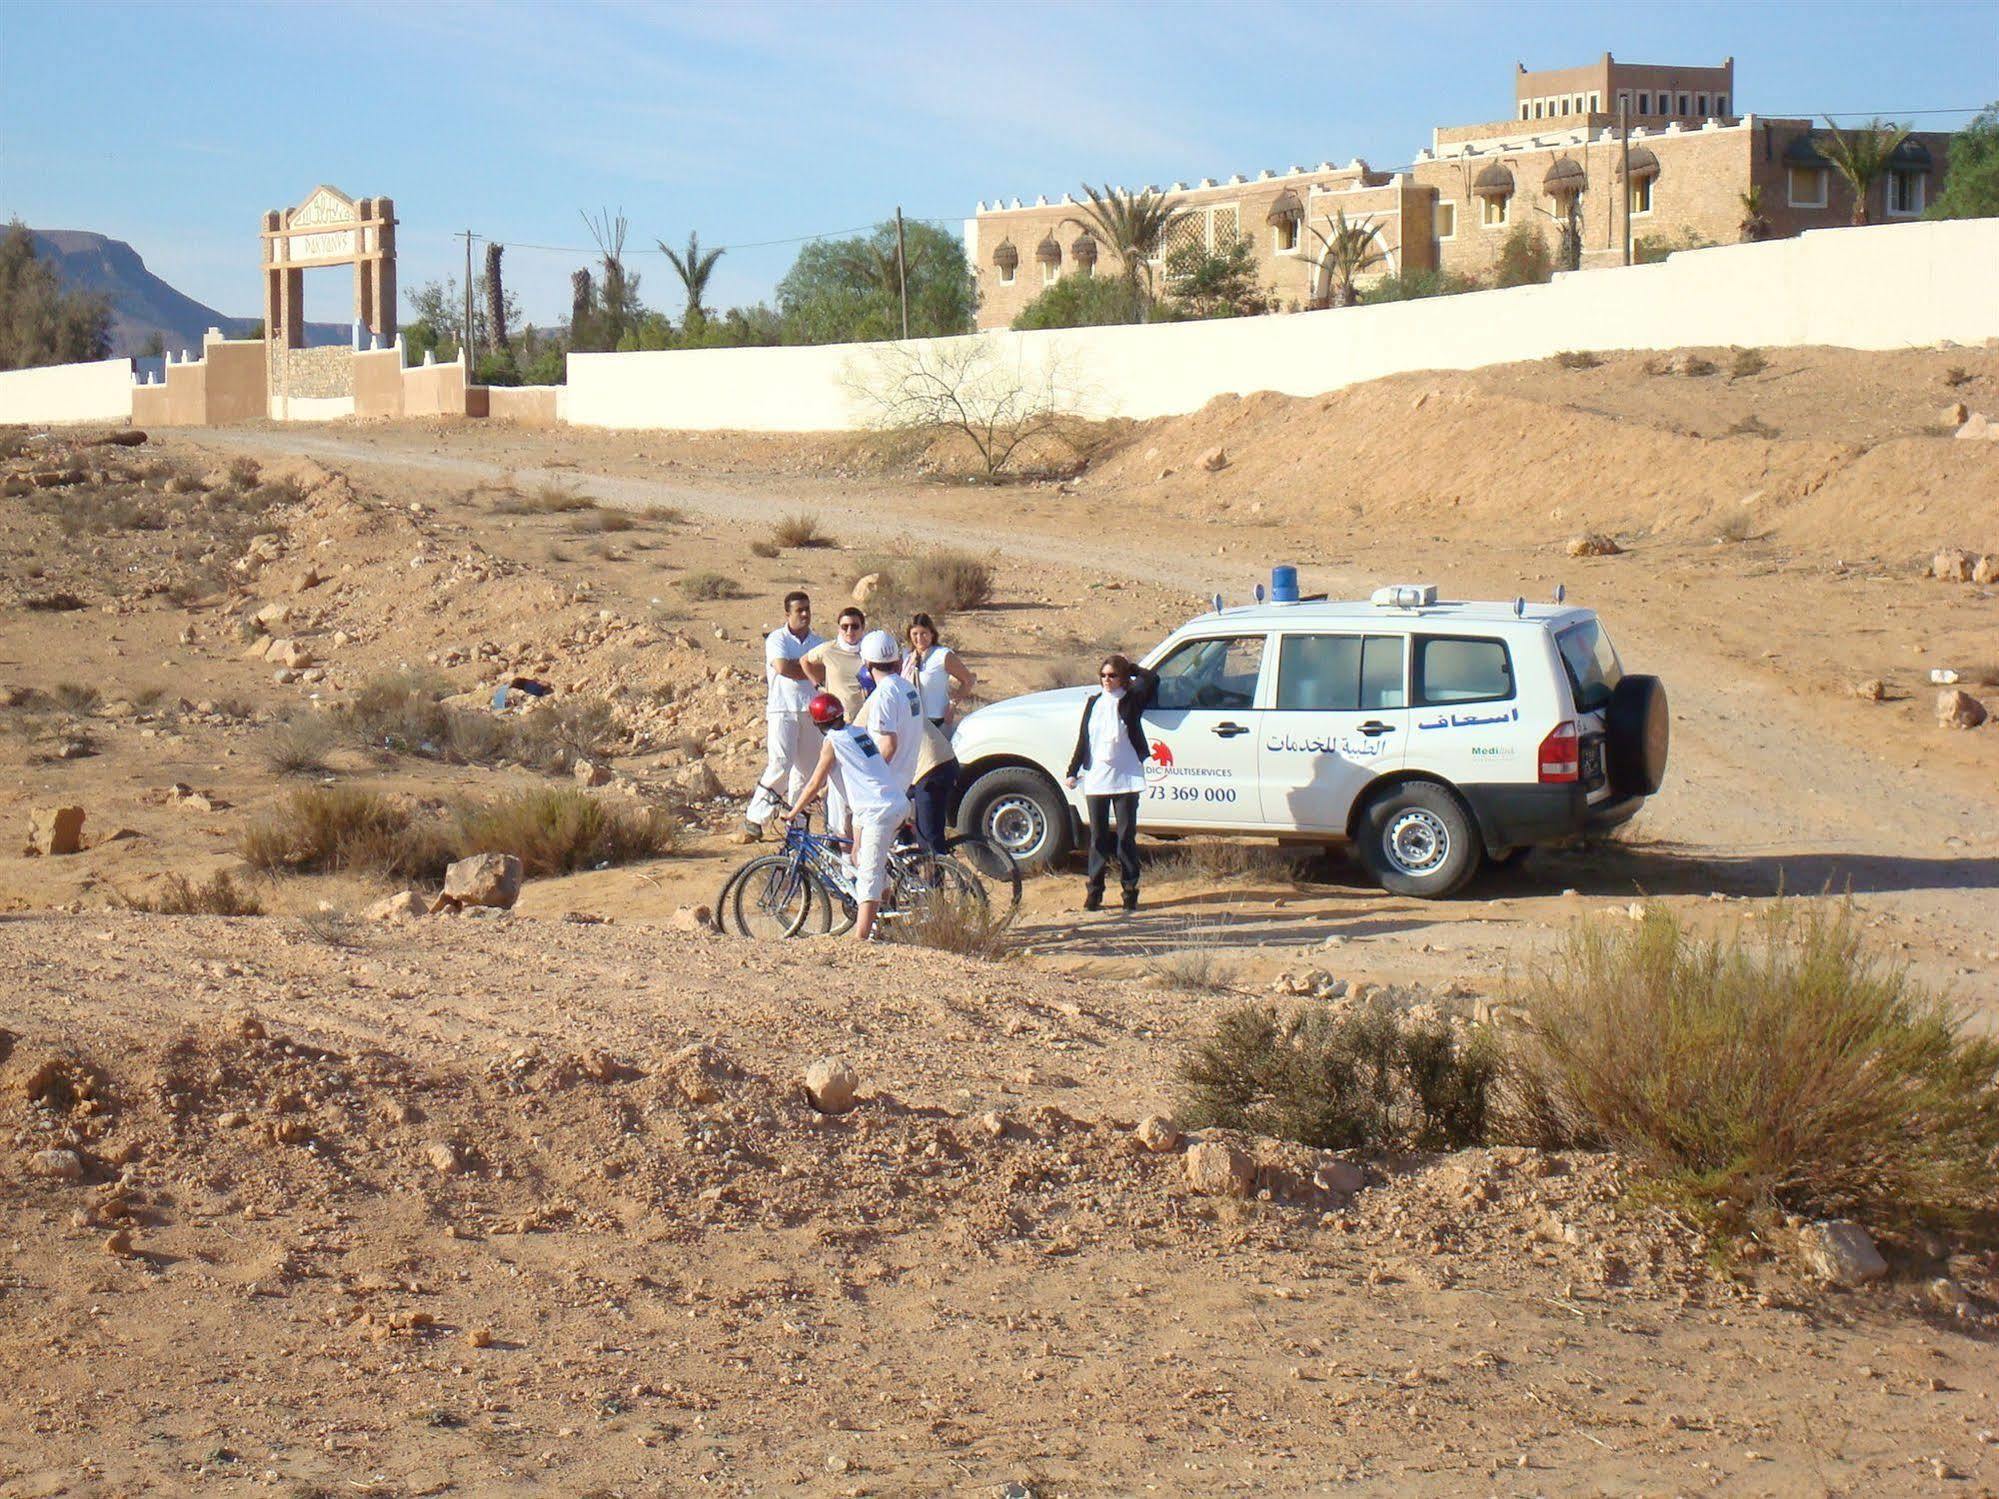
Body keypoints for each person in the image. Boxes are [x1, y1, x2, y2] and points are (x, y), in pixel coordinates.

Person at [793, 691, 907, 942]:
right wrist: (856, 838)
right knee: (861, 857)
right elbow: (861, 781)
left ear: (818, 724)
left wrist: (793, 811)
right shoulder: (859, 733)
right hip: (890, 803)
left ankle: (860, 939)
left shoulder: (833, 742)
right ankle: (885, 918)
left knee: (868, 874)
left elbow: (814, 782)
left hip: (879, 811)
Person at [1063, 653, 1160, 914]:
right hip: (1097, 776)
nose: (1107, 680)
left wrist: (1131, 668)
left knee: (1126, 837)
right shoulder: (1094, 703)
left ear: (1122, 678)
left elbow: (1152, 678)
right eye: (1103, 675)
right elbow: (1085, 739)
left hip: (1126, 776)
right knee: (1098, 838)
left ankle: (1130, 891)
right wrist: (1073, 770)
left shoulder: (1131, 700)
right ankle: (1094, 892)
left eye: (1113, 675)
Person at [745, 591, 823, 835]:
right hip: (782, 709)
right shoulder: (776, 639)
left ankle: (797, 821)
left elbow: (822, 672)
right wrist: (809, 669)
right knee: (781, 762)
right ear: (787, 613)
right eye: (799, 610)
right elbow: (782, 667)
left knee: (807, 769)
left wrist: (802, 668)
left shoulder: (819, 642)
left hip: (810, 711)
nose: (804, 614)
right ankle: (756, 816)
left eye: (807, 609)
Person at [858, 629, 924, 795]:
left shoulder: (884, 694)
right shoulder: (907, 687)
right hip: (903, 782)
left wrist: (869, 776)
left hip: (884, 788)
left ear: (866, 662)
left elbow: (888, 744)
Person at [901, 612, 976, 730]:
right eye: (915, 634)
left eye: (924, 633)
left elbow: (968, 680)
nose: (919, 638)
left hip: (936, 722)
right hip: (911, 722)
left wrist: (952, 706)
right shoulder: (907, 657)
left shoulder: (942, 655)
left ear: (932, 633)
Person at [802, 606, 869, 718]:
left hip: (867, 718)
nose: (849, 631)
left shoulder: (870, 650)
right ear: (839, 629)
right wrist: (817, 686)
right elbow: (804, 660)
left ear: (862, 628)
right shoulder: (829, 649)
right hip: (839, 719)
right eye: (845, 627)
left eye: (855, 626)